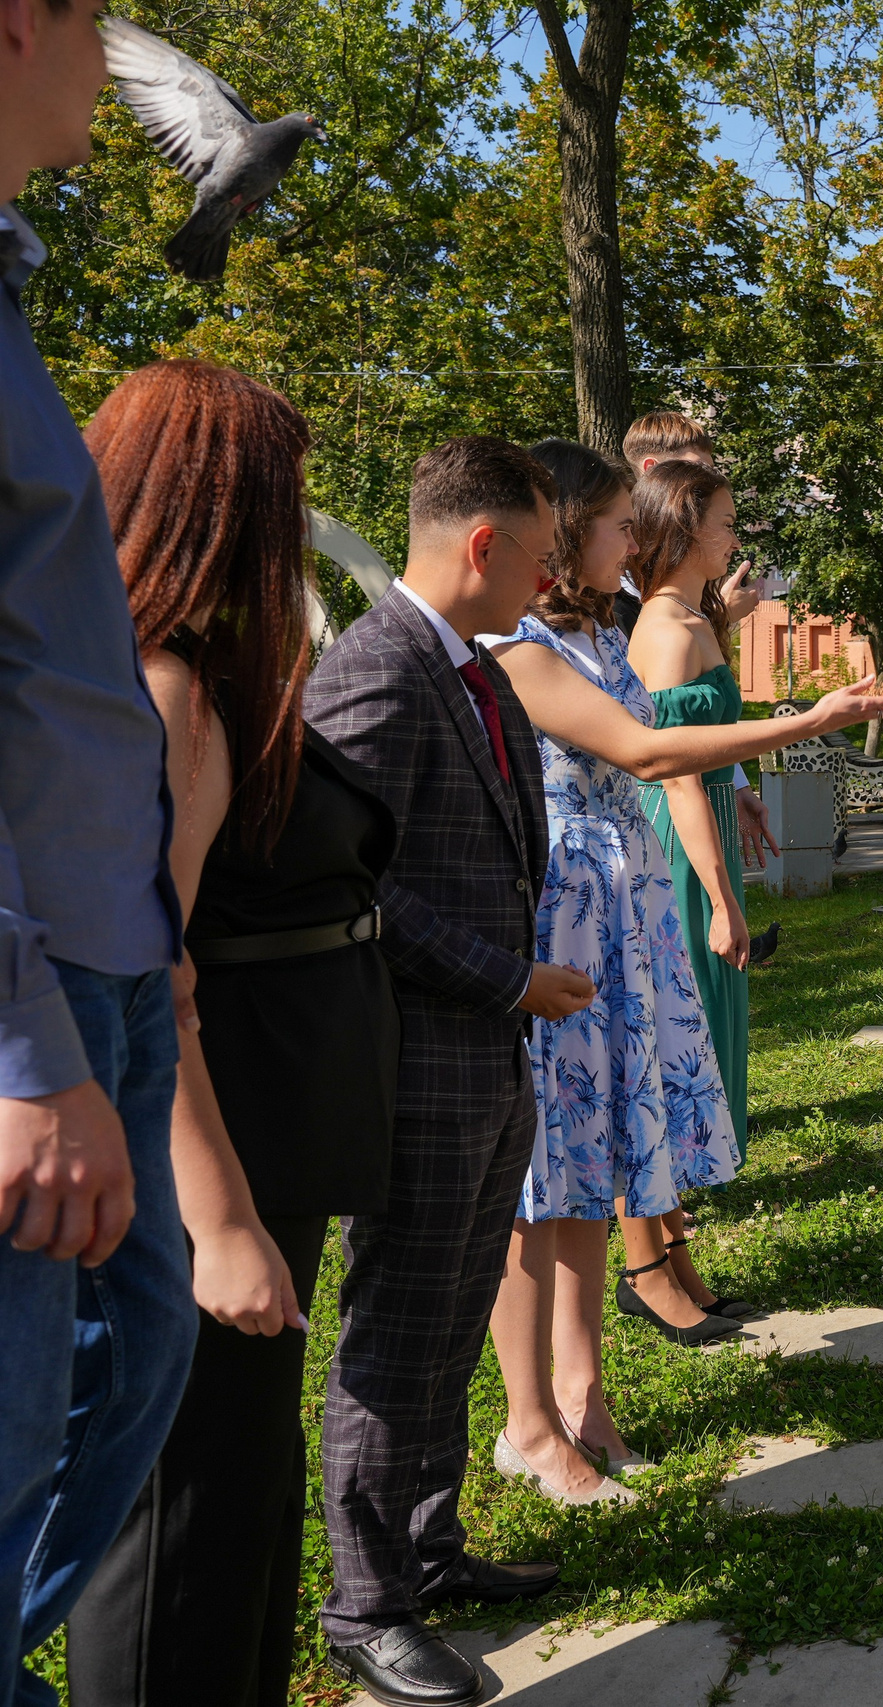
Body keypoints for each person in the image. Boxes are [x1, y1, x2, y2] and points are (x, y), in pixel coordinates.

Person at [58, 363, 399, 1705]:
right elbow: (154, 973)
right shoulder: (159, 691)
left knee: (245, 1504)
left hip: (246, 1146)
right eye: (282, 497)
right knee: (181, 1522)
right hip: (194, 1172)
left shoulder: (162, 672)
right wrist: (222, 1221)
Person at [485, 445, 883, 1504]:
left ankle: (585, 1401)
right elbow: (651, 753)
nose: (636, 540)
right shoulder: (520, 649)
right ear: (566, 533)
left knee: (596, 1164)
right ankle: (525, 1424)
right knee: (540, 1181)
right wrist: (811, 720)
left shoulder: (599, 631)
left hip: (622, 914)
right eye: (618, 523)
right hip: (562, 917)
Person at [304, 436, 597, 1707]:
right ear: (482, 546)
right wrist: (506, 979)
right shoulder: (375, 668)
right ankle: (365, 1607)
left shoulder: (462, 663)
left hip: (487, 1057)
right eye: (539, 557)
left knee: (450, 1318)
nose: (548, 580)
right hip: (422, 1052)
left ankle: (426, 1550)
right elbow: (348, 876)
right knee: (399, 1331)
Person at [1, 11, 194, 1696]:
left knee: (133, 1364)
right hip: (35, 997)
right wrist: (21, 1049)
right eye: (96, 27)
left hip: (108, 961)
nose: (119, 75)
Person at [626, 460, 766, 1156]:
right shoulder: (671, 631)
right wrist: (719, 896)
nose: (735, 540)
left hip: (707, 822)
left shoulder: (692, 617)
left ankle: (704, 1158)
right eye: (728, 524)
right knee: (692, 997)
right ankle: (683, 1166)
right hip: (682, 841)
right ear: (687, 529)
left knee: (714, 993)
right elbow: (677, 775)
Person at [615, 410, 778, 870]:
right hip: (672, 829)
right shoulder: (615, 602)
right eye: (698, 474)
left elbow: (698, 713)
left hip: (709, 808)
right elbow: (670, 752)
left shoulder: (686, 612)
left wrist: (736, 786)